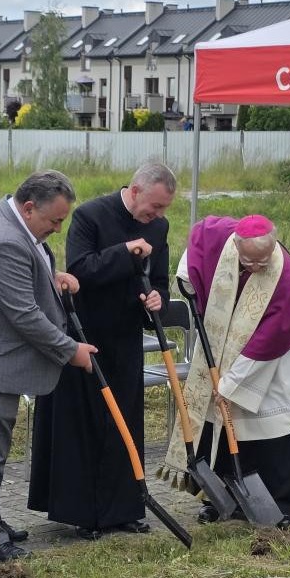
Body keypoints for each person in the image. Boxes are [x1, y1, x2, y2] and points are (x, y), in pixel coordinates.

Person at [0, 170, 97, 560]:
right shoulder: (4, 241)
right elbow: (24, 314)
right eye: (54, 220)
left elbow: (22, 276)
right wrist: (71, 350)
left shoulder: (9, 218)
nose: (58, 229)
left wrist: (50, 277)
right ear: (29, 207)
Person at [28, 161, 176, 540]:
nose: (157, 215)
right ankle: (83, 513)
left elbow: (158, 280)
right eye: (155, 206)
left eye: (163, 209)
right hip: (85, 334)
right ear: (136, 191)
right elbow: (80, 270)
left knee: (124, 422)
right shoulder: (90, 215)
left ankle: (124, 509)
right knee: (86, 423)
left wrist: (158, 298)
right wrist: (124, 252)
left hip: (126, 337)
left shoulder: (158, 227)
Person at [164, 214, 290, 527]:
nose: (255, 267)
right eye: (248, 261)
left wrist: (230, 385)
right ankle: (220, 499)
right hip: (222, 341)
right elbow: (195, 244)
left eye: (262, 261)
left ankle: (283, 502)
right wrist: (187, 282)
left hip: (273, 358)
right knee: (218, 420)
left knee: (264, 421)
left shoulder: (284, 276)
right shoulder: (220, 235)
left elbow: (267, 344)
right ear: (236, 244)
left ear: (273, 246)